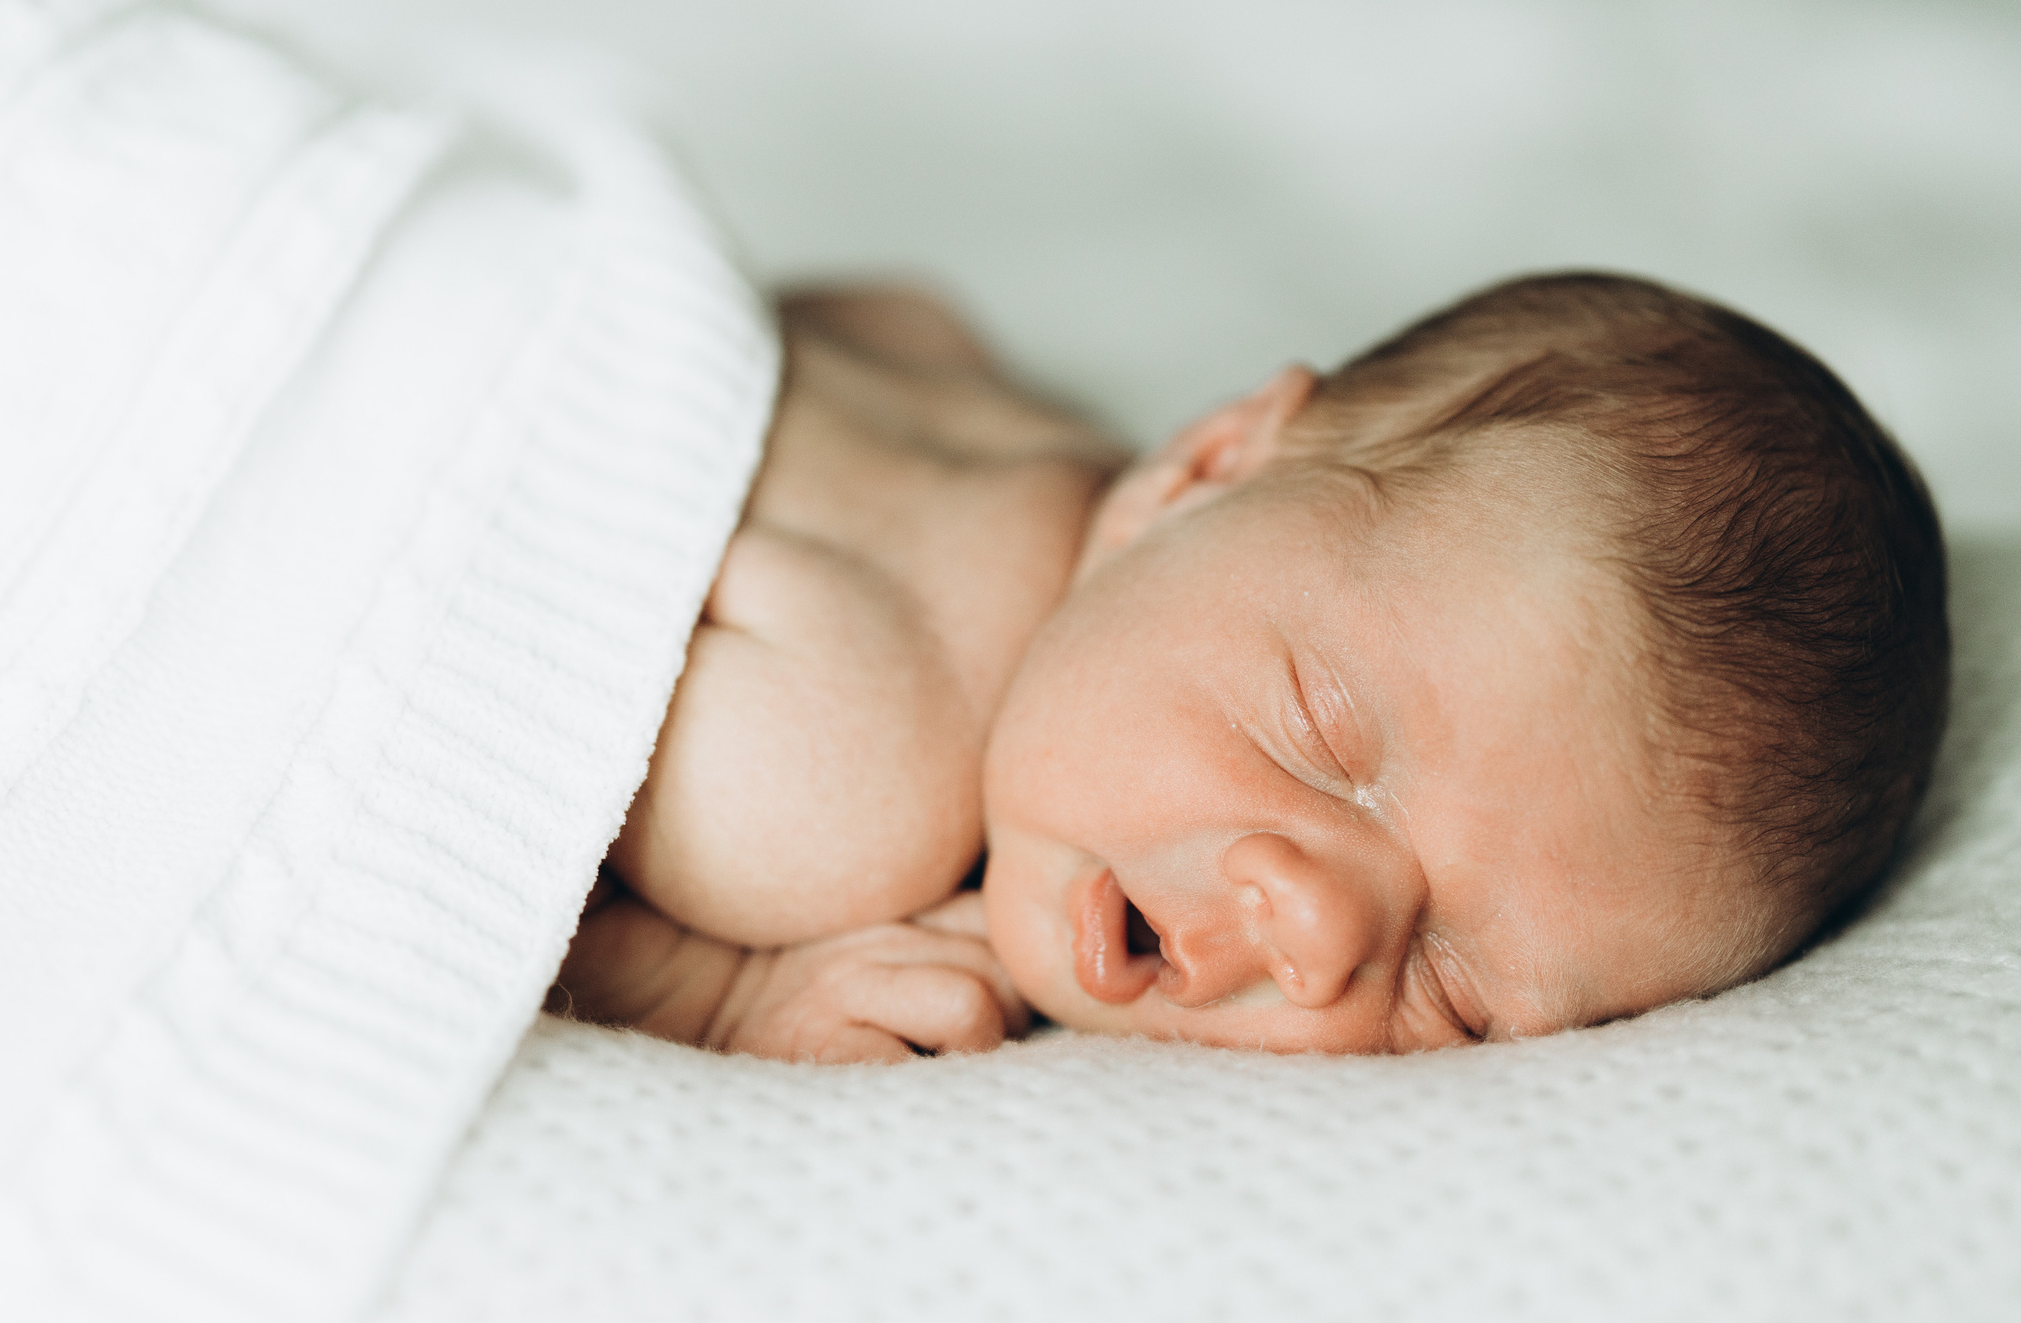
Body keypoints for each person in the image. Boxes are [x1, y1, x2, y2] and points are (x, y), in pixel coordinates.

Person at [548, 270, 1949, 1061]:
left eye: (1454, 994)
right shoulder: (845, 771)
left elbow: (876, 309)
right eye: (1318, 733)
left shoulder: (1038, 445)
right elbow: (432, 821)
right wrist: (713, 996)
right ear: (1203, 471)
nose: (1320, 933)